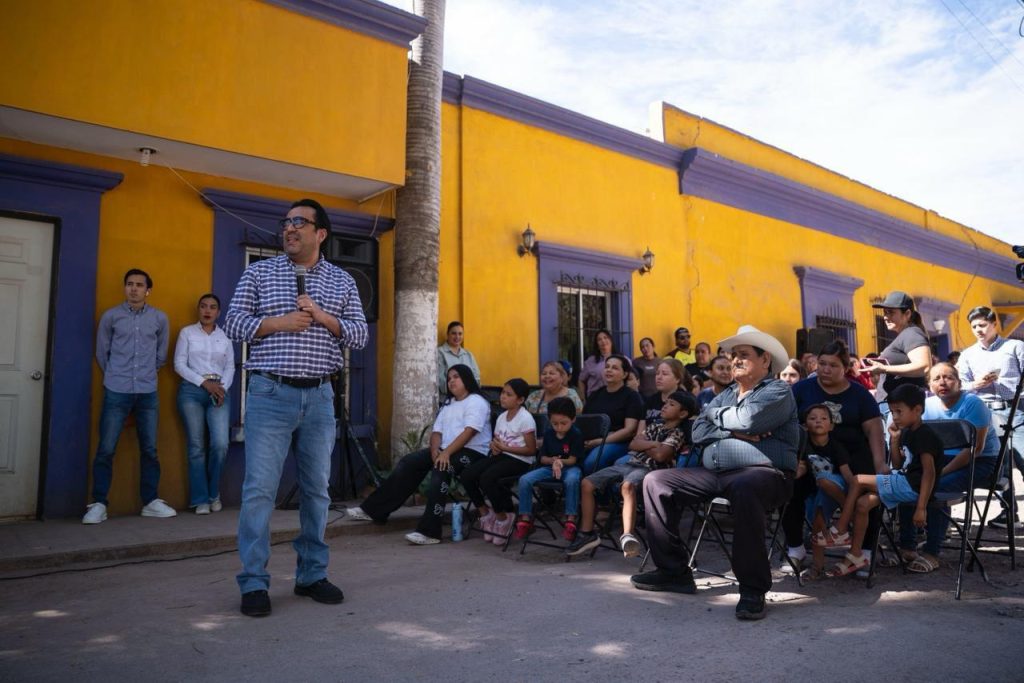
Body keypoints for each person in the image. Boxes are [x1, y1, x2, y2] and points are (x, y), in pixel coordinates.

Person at [225, 198, 368, 617]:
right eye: (286, 222)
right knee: (259, 491)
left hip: (320, 397)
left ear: (320, 233)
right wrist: (277, 323)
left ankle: (311, 575)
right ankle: (254, 582)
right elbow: (233, 323)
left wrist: (322, 316)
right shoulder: (258, 272)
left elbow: (359, 336)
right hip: (270, 394)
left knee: (317, 491)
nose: (289, 228)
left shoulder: (342, 280)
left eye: (299, 222)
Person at [631, 325, 798, 621]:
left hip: (765, 473)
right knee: (656, 481)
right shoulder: (728, 393)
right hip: (717, 473)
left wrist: (713, 415)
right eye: (734, 355)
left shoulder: (777, 391)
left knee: (745, 486)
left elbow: (747, 420)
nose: (735, 360)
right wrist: (733, 431)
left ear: (765, 360)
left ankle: (753, 589)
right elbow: (697, 431)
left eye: (744, 354)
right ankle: (674, 571)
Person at [347, 365, 492, 545]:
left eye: (456, 377)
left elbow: (470, 432)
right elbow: (437, 432)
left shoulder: (476, 401)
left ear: (467, 378)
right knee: (410, 462)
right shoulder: (449, 403)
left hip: (473, 452)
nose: (451, 381)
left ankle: (430, 532)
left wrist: (445, 453)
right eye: (449, 378)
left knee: (441, 468)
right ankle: (374, 510)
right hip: (446, 450)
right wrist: (435, 451)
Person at [814, 384, 940, 578]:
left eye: (899, 411)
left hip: (913, 486)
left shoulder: (925, 435)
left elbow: (929, 473)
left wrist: (921, 507)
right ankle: (855, 555)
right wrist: (895, 439)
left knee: (858, 480)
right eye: (892, 412)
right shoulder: (907, 432)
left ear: (917, 410)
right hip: (904, 481)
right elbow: (898, 464)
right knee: (863, 504)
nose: (895, 417)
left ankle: (840, 529)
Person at [785, 340, 886, 572]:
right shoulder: (801, 390)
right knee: (789, 486)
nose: (825, 370)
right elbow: (787, 423)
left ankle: (864, 551)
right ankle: (795, 549)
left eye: (833, 365)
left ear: (845, 368)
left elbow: (874, 430)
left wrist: (880, 463)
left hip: (852, 458)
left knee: (869, 488)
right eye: (822, 364)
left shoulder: (859, 394)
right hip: (810, 457)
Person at [82, 268, 174, 525]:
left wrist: (146, 373)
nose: (134, 288)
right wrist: (115, 375)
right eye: (130, 284)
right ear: (125, 288)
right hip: (116, 390)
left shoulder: (159, 318)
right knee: (106, 448)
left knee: (150, 449)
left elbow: (161, 354)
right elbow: (102, 352)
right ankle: (99, 504)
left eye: (139, 285)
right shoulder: (111, 317)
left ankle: (151, 502)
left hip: (147, 391)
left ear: (148, 290)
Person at [894, 363, 1000, 572]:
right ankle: (908, 547)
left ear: (959, 382)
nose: (943, 382)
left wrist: (938, 474)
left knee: (934, 487)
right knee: (908, 483)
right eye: (936, 378)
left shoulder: (973, 404)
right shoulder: (925, 406)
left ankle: (932, 552)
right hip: (938, 459)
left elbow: (975, 449)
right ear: (929, 385)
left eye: (949, 377)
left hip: (978, 461)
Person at [567, 391, 696, 558]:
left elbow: (660, 456)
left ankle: (627, 535)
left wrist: (645, 445)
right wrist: (654, 444)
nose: (665, 406)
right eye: (666, 403)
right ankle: (587, 533)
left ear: (683, 413)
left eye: (671, 405)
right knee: (587, 483)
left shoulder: (677, 433)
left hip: (651, 470)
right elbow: (633, 444)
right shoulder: (655, 425)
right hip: (630, 464)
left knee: (627, 486)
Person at [956, 305, 1024, 530]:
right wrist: (975, 384)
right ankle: (1009, 513)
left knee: (1023, 459)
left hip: (1016, 410)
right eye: (974, 326)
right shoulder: (967, 355)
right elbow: (958, 385)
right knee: (999, 465)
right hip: (986, 413)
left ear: (995, 324)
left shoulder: (1015, 347)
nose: (978, 330)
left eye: (983, 325)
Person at [173, 293, 235, 515]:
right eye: (203, 306)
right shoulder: (187, 333)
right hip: (192, 390)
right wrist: (204, 383)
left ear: (218, 312)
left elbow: (230, 366)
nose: (207, 310)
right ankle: (200, 499)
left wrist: (221, 388)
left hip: (219, 390)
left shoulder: (225, 337)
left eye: (212, 307)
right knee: (196, 445)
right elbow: (179, 364)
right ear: (198, 309)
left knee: (220, 444)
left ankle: (213, 493)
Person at [460, 378, 537, 545]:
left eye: (509, 394)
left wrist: (504, 448)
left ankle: (503, 518)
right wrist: (495, 446)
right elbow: (497, 441)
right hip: (502, 455)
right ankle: (485, 514)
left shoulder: (525, 418)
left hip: (520, 460)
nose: (503, 397)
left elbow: (531, 450)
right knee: (467, 475)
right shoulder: (502, 417)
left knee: (487, 478)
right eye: (503, 392)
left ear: (520, 400)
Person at [513, 397, 586, 540]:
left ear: (573, 419)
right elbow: (542, 458)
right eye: (555, 423)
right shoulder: (548, 433)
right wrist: (552, 461)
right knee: (524, 480)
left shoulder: (576, 434)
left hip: (570, 467)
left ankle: (571, 518)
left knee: (572, 480)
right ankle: (525, 518)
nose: (559, 427)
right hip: (549, 467)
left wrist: (560, 462)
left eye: (563, 423)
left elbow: (573, 460)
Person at [802, 404, 855, 579]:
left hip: (837, 485)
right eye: (813, 418)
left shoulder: (836, 446)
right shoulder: (803, 445)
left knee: (824, 478)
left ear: (831, 426)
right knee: (817, 522)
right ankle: (817, 566)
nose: (818, 421)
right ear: (805, 425)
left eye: (823, 418)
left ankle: (848, 509)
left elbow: (847, 474)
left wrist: (854, 493)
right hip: (816, 491)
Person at [861, 291, 931, 401]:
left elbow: (924, 367)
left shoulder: (912, 333)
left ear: (907, 314)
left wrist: (884, 368)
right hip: (894, 404)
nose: (885, 317)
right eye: (885, 312)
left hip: (903, 404)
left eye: (891, 312)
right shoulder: (906, 334)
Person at [580, 354, 644, 473]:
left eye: (614, 368)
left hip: (618, 442)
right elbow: (584, 420)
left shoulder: (631, 396)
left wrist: (600, 441)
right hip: (591, 441)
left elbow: (629, 430)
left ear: (624, 374)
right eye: (607, 367)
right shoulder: (595, 395)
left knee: (592, 462)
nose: (609, 370)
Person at [437, 321, 481, 400]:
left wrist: (468, 394)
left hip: (469, 398)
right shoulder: (440, 353)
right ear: (447, 335)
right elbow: (441, 381)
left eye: (460, 334)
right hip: (449, 400)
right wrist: (460, 393)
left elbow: (476, 378)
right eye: (454, 333)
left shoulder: (468, 354)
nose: (457, 337)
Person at [578, 328, 616, 399]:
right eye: (599, 339)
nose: (603, 341)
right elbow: (581, 380)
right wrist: (582, 398)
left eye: (605, 337)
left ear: (611, 340)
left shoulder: (622, 359)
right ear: (597, 345)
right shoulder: (591, 361)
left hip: (616, 398)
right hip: (595, 399)